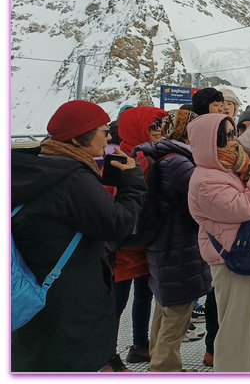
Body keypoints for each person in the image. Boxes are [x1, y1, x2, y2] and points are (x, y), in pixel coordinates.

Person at [11, 100, 147, 372]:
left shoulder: (39, 164)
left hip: (35, 288)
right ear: (77, 138)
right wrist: (132, 180)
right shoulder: (73, 178)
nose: (109, 137)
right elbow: (118, 225)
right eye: (103, 131)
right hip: (69, 298)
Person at [187, 113, 250, 371]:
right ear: (210, 143)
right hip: (231, 262)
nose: (235, 140)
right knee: (237, 332)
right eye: (227, 136)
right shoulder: (205, 180)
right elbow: (247, 207)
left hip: (249, 255)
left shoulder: (232, 166)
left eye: (233, 133)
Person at [136, 108, 211, 372]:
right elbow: (205, 192)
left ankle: (158, 360)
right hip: (176, 246)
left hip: (165, 244)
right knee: (177, 315)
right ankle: (166, 369)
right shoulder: (178, 162)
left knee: (166, 308)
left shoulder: (164, 155)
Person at [113, 106, 168, 364]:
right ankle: (107, 356)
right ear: (137, 128)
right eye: (152, 126)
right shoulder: (118, 156)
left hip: (144, 238)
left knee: (144, 295)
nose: (158, 131)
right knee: (118, 301)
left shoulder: (149, 154)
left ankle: (139, 345)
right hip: (124, 243)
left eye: (159, 126)